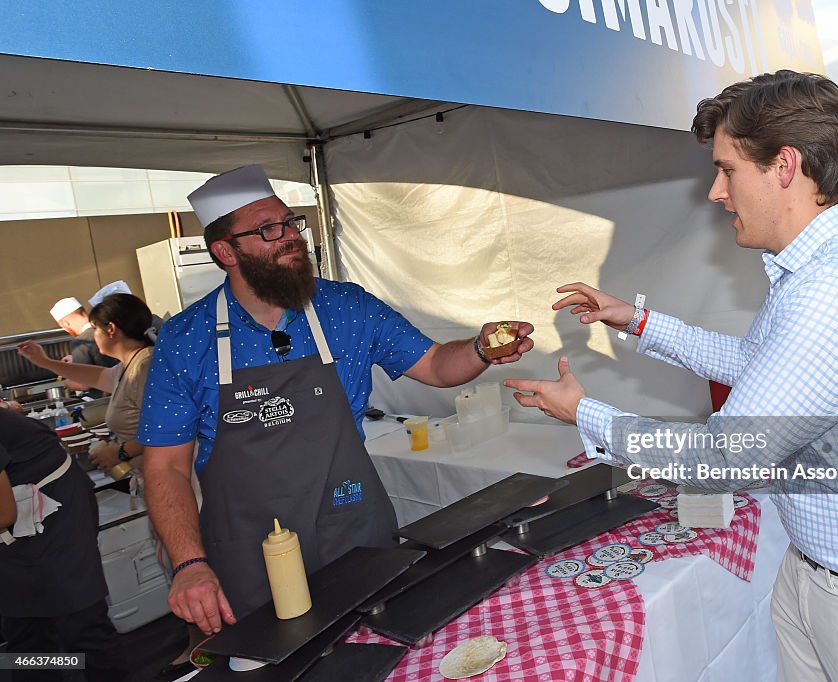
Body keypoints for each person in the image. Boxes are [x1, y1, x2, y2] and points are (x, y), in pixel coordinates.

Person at [507, 71, 838, 680]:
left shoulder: (834, 291)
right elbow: (756, 367)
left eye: (727, 169)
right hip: (827, 576)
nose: (715, 192)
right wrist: (635, 319)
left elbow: (722, 461)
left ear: (784, 166)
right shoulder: (817, 271)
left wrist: (587, 413)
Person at [138, 165, 535, 635]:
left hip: (352, 530)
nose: (290, 237)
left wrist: (480, 349)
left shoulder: (346, 307)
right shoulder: (186, 339)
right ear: (226, 251)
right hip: (247, 553)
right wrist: (189, 564)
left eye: (291, 224)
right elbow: (165, 467)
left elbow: (434, 365)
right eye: (269, 230)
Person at [0, 402, 129, 682]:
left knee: (80, 620)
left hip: (57, 510)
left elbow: (3, 512)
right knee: (24, 623)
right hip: (19, 515)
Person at [18, 294, 156, 476]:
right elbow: (97, 376)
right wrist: (44, 361)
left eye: (95, 329)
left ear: (111, 329)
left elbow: (166, 426)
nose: (94, 335)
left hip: (165, 473)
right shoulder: (128, 366)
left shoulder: (145, 367)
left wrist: (120, 452)